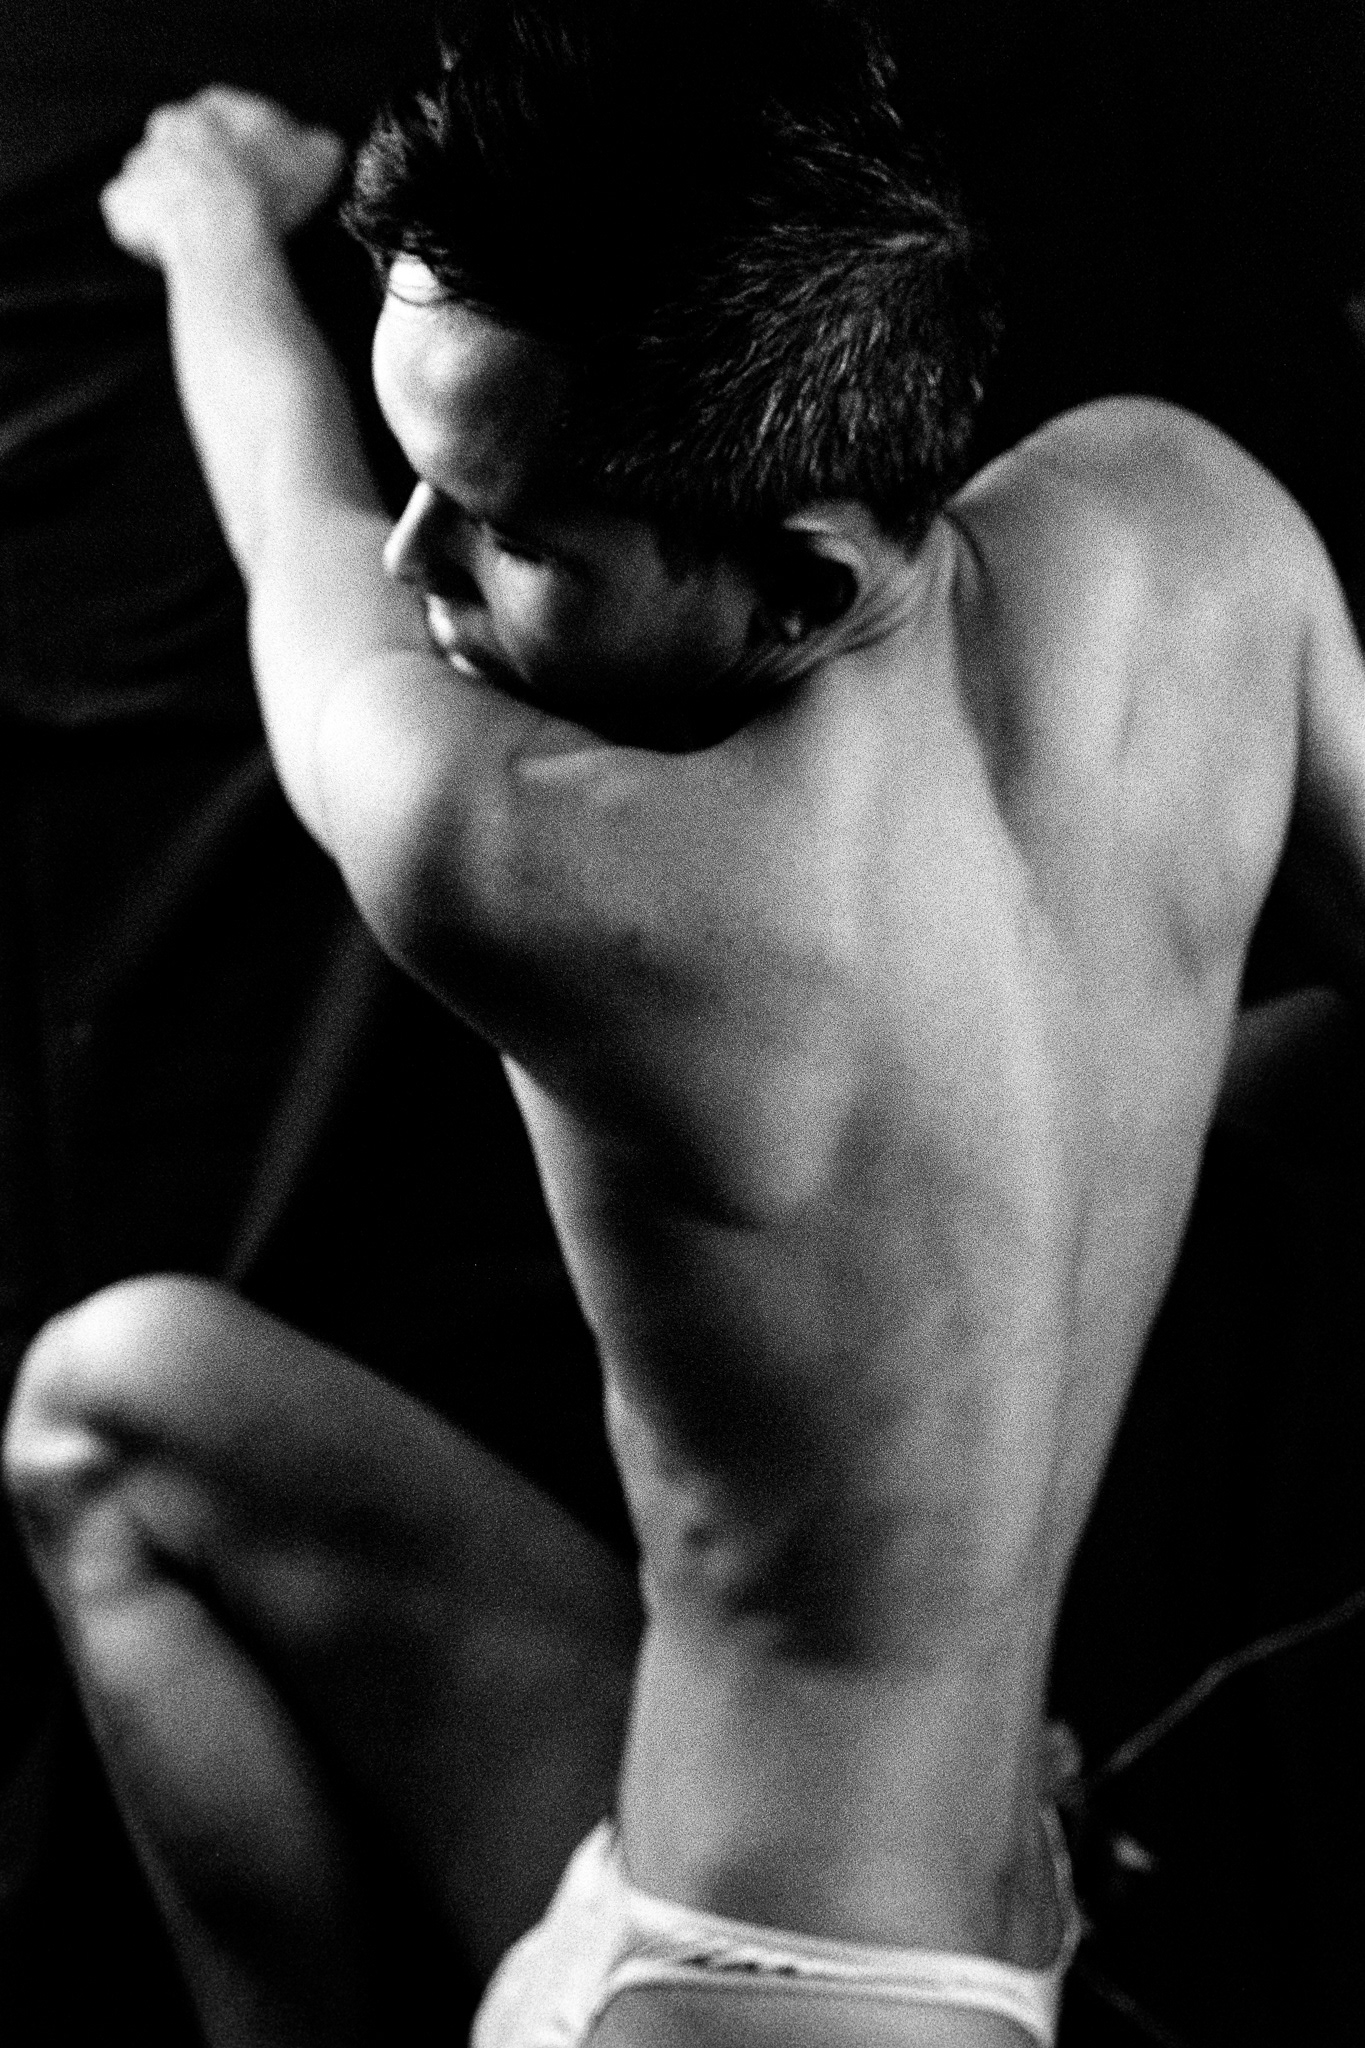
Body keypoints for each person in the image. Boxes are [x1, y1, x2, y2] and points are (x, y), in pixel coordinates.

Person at [7, 2, 1365, 2043]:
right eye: (417, 477)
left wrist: (211, 232)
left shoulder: (531, 850)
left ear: (793, 587)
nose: (420, 558)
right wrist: (1109, 1122)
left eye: (509, 530)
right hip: (825, 1833)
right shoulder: (1203, 522)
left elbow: (301, 555)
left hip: (773, 1998)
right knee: (109, 1403)